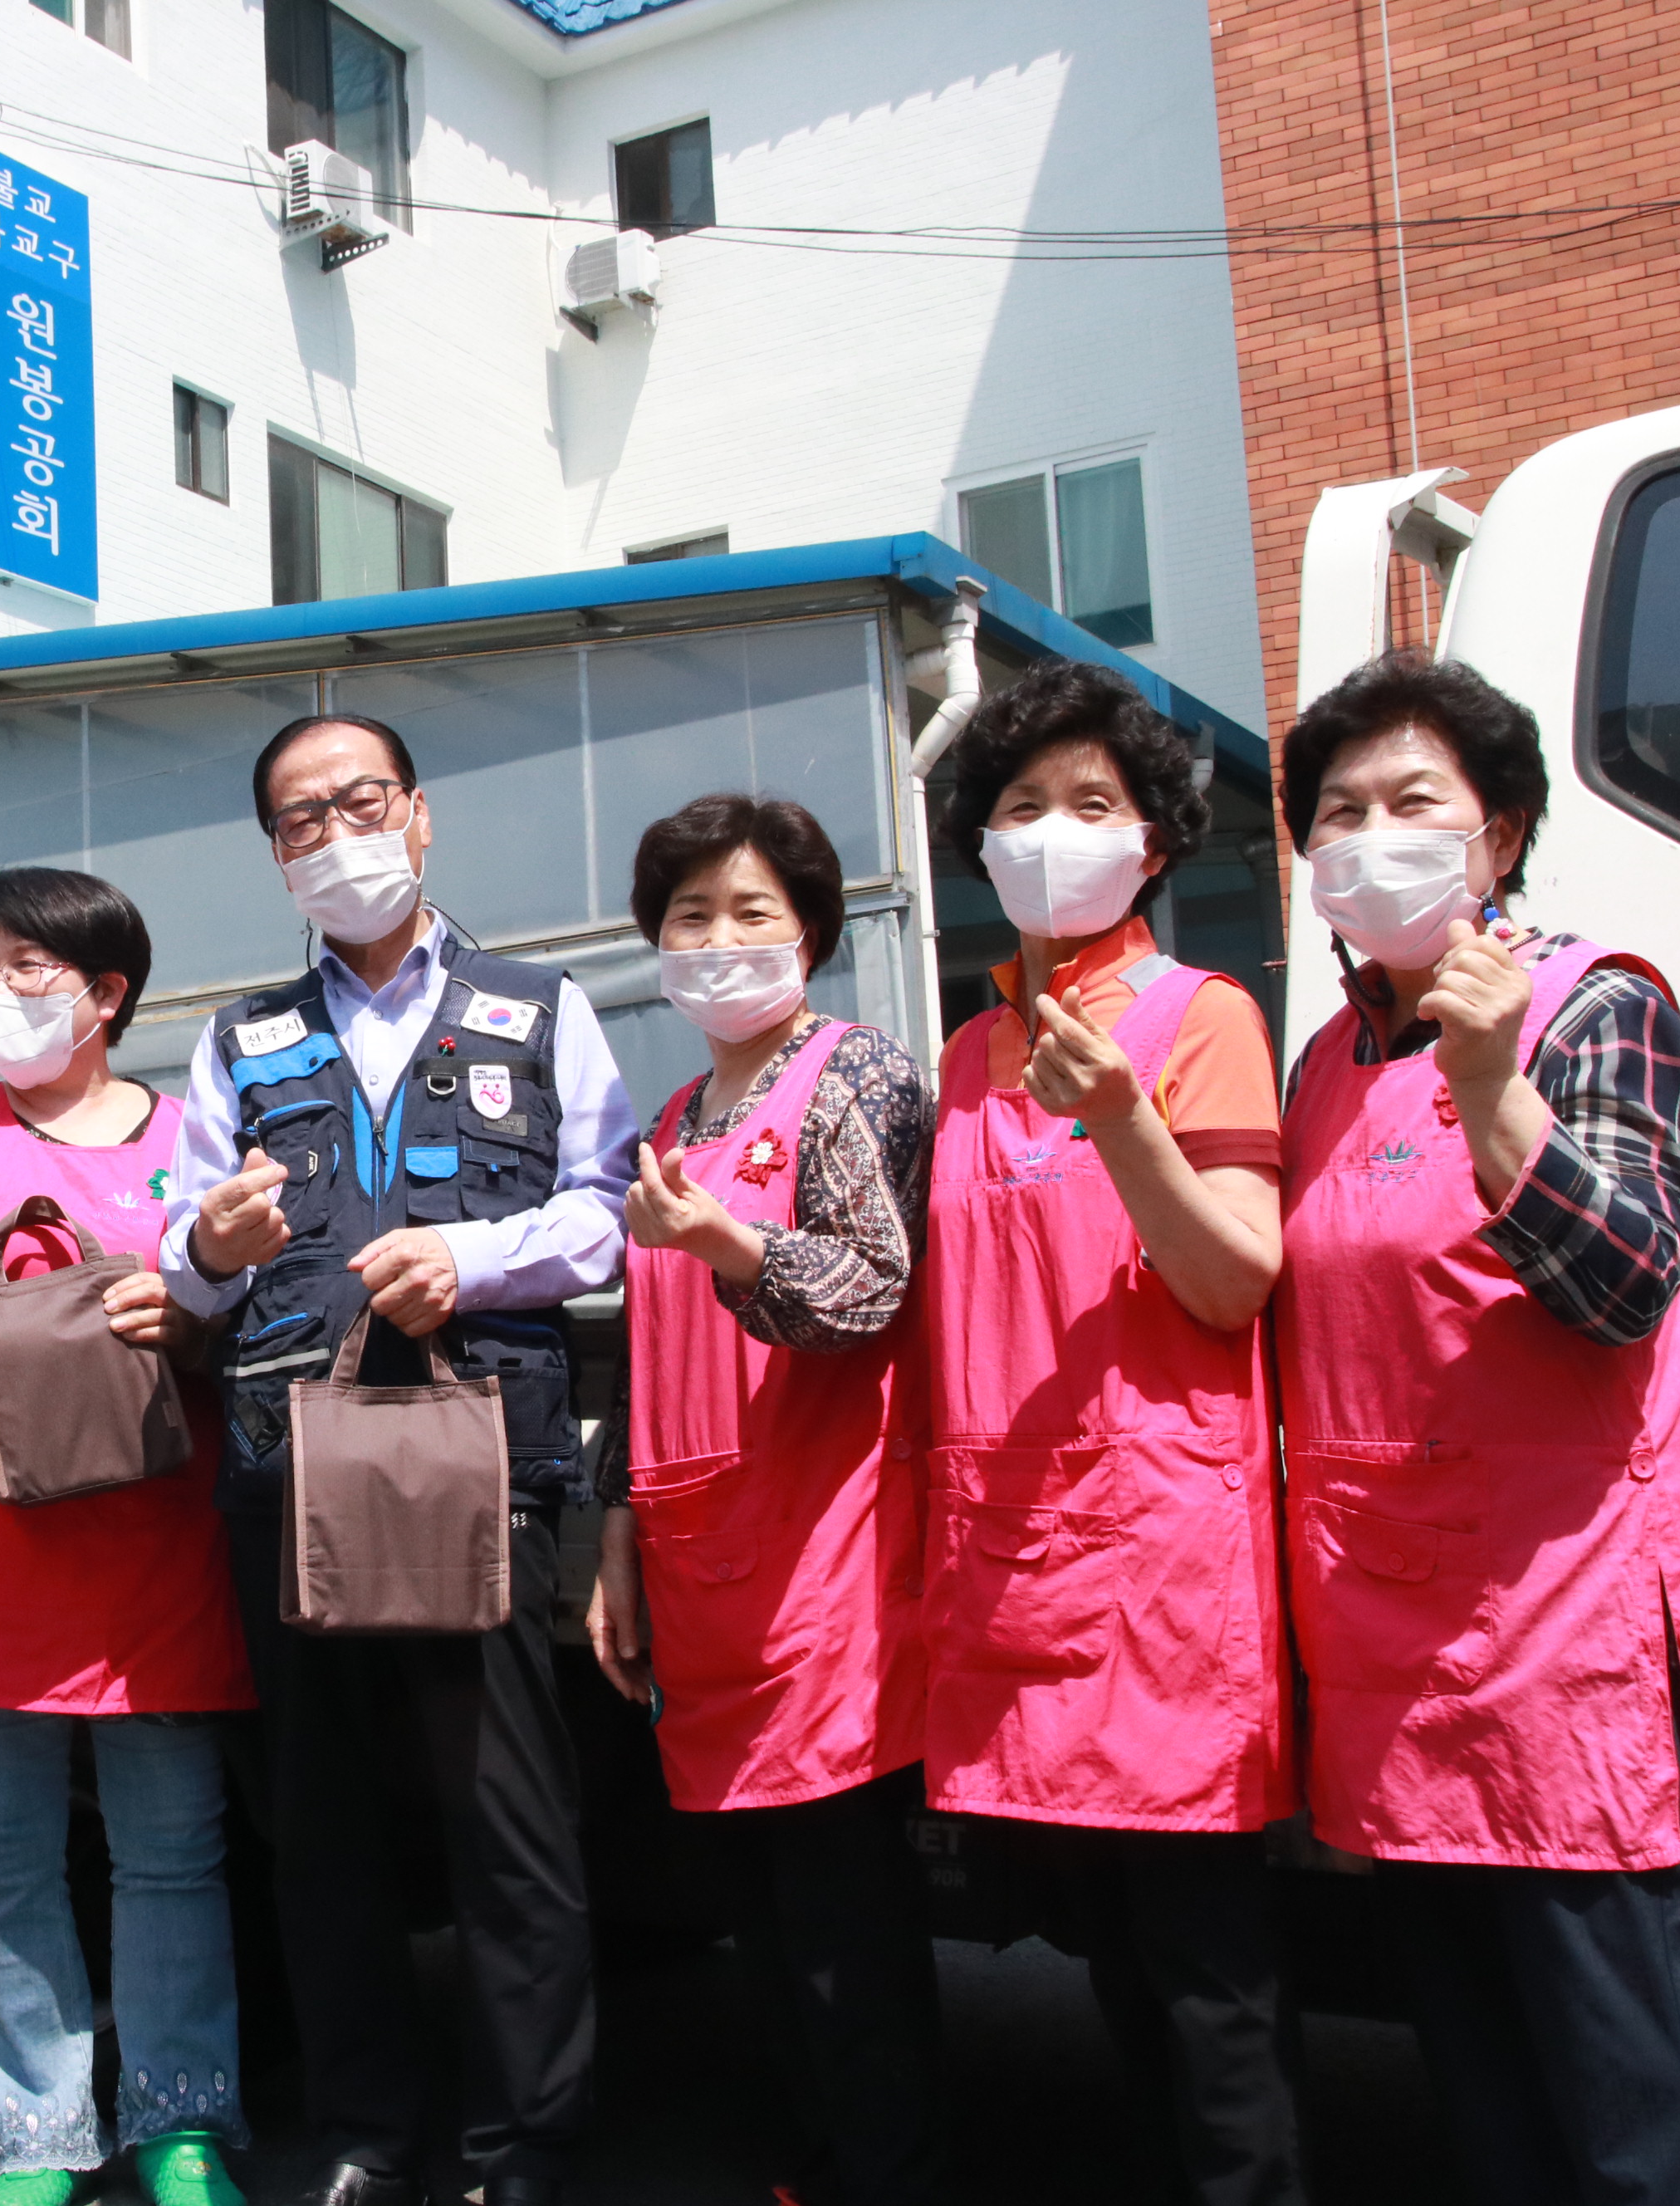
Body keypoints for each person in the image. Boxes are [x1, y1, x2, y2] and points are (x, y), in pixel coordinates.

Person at [1271, 651, 1680, 2205]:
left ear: (1504, 834)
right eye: (1338, 813)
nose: (1370, 837)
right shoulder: (1322, 1066)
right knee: (1494, 2130)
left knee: (1640, 2140)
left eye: (1414, 801)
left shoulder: (1596, 1003)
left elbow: (1625, 1282)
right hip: (1407, 1679)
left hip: (1577, 1676)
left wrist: (1493, 1094)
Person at [158, 714, 636, 2206]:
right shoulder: (238, 1037)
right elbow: (183, 1260)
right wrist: (210, 1247)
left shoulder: (539, 1005)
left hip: (475, 1459)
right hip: (287, 1465)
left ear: (418, 816)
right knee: (322, 1825)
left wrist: (474, 1260)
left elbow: (608, 1206)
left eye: (358, 802)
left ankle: (527, 2143)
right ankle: (366, 2130)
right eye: (299, 820)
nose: (334, 835)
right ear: (277, 857)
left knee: (509, 1820)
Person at [921, 658, 1302, 2205]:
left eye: (1094, 803)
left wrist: (1126, 1120)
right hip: (1016, 1566)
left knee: (1212, 1985)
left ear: (1153, 844)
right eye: (1024, 805)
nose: (1055, 831)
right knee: (1116, 1976)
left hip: (1160, 1574)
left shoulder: (1202, 1017)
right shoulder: (968, 1054)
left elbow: (1233, 1279)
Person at [0, 868, 254, 2206]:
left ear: (106, 992)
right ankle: (38, 2136)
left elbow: (251, 1329)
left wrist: (186, 1320)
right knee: (4, 1866)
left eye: (30, 968)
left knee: (172, 1859)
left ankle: (181, 2122)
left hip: (155, 1554)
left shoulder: (197, 1137)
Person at [581, 796, 943, 2206]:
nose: (719, 940)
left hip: (824, 1557)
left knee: (844, 1918)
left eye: (753, 912)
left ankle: (888, 2175)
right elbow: (645, 1349)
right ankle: (821, 2162)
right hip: (697, 1567)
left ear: (812, 932)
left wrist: (732, 1240)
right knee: (757, 1916)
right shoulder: (675, 1120)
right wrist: (617, 1538)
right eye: (691, 916)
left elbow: (870, 1291)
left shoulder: (857, 1078)